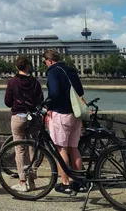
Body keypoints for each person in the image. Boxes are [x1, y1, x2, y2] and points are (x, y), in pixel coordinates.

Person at [42, 49, 85, 194]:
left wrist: (46, 105)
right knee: (74, 147)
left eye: (45, 62)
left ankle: (65, 183)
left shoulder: (53, 71)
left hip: (61, 114)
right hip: (75, 114)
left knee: (61, 149)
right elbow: (80, 91)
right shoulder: (70, 69)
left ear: (49, 61)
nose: (45, 65)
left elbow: (54, 93)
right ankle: (80, 182)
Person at [4, 56, 44, 192]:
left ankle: (22, 182)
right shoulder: (35, 82)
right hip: (33, 117)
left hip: (18, 117)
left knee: (20, 150)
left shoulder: (12, 82)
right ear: (28, 67)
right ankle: (32, 180)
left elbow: (8, 102)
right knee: (33, 148)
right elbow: (41, 100)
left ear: (17, 67)